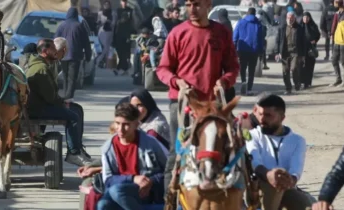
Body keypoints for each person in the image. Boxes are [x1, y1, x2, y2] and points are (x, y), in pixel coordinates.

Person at [155, 0, 240, 199]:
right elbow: (163, 69)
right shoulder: (178, 33)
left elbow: (232, 67)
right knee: (177, 154)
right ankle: (170, 200)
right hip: (184, 105)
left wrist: (224, 81)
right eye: (188, 4)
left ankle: (234, 196)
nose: (192, 9)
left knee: (229, 148)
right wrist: (178, 82)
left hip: (213, 106)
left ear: (208, 5)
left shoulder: (221, 32)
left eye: (197, 4)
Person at [26, 38, 91, 167]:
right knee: (73, 117)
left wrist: (62, 102)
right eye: (53, 49)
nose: (56, 52)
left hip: (40, 105)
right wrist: (62, 103)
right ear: (45, 51)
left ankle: (78, 149)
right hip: (39, 109)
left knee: (76, 109)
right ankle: (73, 153)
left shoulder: (42, 64)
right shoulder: (41, 69)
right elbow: (50, 97)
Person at [246, 94, 315, 209]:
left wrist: (289, 180)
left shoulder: (297, 141)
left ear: (282, 117)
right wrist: (269, 175)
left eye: (268, 115)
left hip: (286, 188)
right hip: (257, 190)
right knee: (274, 186)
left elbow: (296, 169)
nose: (262, 119)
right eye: (260, 114)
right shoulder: (252, 136)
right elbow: (255, 163)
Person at [97, 103, 167, 210]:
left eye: (126, 124)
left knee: (117, 191)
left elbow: (170, 170)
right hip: (119, 192)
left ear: (136, 124)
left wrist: (151, 180)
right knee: (102, 205)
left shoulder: (151, 143)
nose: (120, 129)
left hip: (145, 191)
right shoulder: (108, 148)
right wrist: (133, 178)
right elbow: (108, 180)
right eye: (117, 123)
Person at [54, 7, 92, 100]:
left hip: (63, 55)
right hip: (75, 56)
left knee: (65, 76)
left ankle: (65, 94)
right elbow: (86, 42)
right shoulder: (79, 26)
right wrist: (88, 55)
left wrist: (55, 54)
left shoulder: (62, 26)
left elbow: (55, 40)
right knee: (72, 77)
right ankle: (69, 96)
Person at [234, 8, 265, 96]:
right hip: (254, 50)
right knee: (251, 70)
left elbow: (235, 36)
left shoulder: (241, 22)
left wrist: (234, 47)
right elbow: (260, 39)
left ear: (247, 13)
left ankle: (244, 82)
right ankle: (249, 88)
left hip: (242, 49)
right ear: (255, 14)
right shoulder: (258, 24)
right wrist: (260, 51)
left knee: (243, 68)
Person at [275, 12, 307, 94]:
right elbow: (277, 41)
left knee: (294, 68)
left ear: (294, 19)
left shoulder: (299, 28)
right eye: (288, 18)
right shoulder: (282, 28)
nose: (290, 19)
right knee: (285, 71)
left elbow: (303, 42)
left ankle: (297, 84)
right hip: (285, 53)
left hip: (295, 53)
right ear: (286, 18)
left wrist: (303, 55)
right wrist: (277, 52)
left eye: (292, 18)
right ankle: (288, 88)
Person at [114, 0, 136, 74]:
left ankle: (121, 68)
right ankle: (122, 67)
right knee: (120, 52)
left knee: (126, 52)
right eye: (123, 1)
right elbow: (115, 24)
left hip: (127, 34)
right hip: (119, 35)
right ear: (120, 2)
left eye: (125, 1)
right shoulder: (118, 11)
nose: (124, 3)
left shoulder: (130, 10)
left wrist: (132, 32)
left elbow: (133, 21)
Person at [302, 12, 321, 89]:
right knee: (302, 66)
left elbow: (318, 34)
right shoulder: (300, 26)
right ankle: (301, 82)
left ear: (310, 18)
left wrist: (315, 40)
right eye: (304, 18)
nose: (306, 19)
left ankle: (308, 82)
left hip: (311, 49)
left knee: (310, 66)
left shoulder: (313, 25)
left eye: (307, 18)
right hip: (302, 49)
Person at [332, 0, 344, 87]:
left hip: (343, 42)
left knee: (343, 61)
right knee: (334, 60)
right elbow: (334, 25)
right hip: (337, 40)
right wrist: (332, 34)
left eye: (337, 1)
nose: (335, 3)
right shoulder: (337, 13)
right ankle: (338, 78)